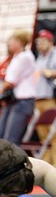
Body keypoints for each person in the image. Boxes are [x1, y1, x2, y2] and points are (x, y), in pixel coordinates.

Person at [0, 28, 36, 146]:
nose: (9, 43)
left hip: (22, 102)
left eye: (11, 40)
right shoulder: (17, 57)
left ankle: (9, 164)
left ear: (19, 42)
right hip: (13, 101)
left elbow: (10, 81)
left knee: (10, 140)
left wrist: (0, 91)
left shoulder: (25, 57)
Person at [34, 29, 56, 166]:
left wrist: (51, 73)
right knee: (43, 137)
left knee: (54, 135)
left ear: (50, 42)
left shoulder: (54, 54)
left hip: (49, 99)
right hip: (38, 100)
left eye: (42, 41)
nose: (39, 44)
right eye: (38, 42)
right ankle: (46, 165)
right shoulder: (39, 58)